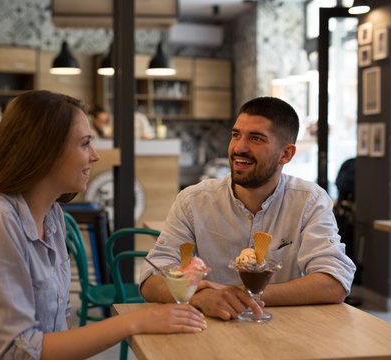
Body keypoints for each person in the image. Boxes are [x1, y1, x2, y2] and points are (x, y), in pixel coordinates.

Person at [0, 90, 206, 360]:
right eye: (85, 143)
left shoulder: (52, 215)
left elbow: (60, 321)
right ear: (44, 150)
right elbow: (20, 352)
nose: (95, 156)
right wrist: (135, 321)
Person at [140, 97, 356, 320]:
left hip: (287, 334)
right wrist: (197, 296)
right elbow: (150, 280)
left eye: (256, 138)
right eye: (236, 135)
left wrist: (241, 296)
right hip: (211, 332)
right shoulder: (193, 201)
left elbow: (334, 282)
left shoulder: (309, 201)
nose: (239, 148)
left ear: (286, 154)